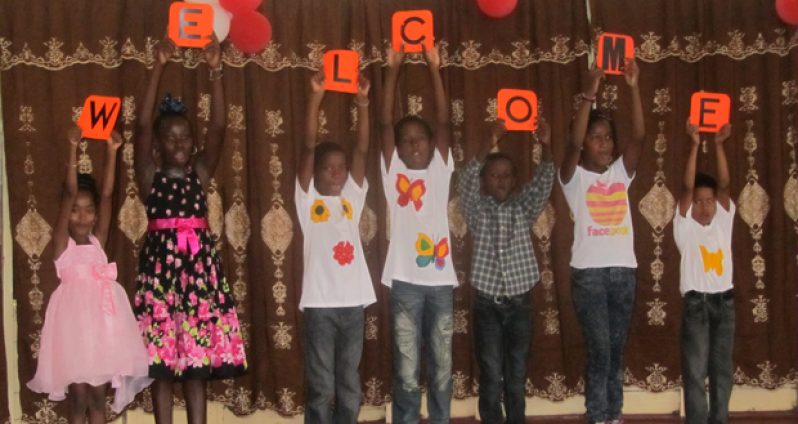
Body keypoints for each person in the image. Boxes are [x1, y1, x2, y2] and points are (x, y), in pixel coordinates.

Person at [133, 38, 246, 424]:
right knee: (162, 364)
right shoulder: (150, 177)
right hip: (161, 276)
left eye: (185, 137)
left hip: (199, 273)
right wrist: (159, 66)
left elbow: (218, 125)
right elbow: (142, 125)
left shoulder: (200, 171)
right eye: (171, 138)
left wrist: (216, 72)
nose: (179, 143)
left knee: (196, 364)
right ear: (159, 147)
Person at [28, 126, 151, 423]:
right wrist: (72, 148)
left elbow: (107, 195)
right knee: (79, 397)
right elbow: (70, 192)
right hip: (72, 329)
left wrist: (112, 151)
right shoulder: (62, 244)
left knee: (98, 396)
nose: (82, 216)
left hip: (102, 329)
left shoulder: (98, 240)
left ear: (95, 214)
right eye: (75, 211)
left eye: (88, 210)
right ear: (66, 213)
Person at [558, 59, 645, 424]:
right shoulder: (573, 178)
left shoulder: (620, 174)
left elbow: (639, 137)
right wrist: (590, 95)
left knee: (616, 348)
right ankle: (597, 415)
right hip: (589, 275)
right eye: (597, 138)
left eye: (608, 137)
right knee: (600, 347)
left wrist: (633, 86)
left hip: (623, 271)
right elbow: (573, 142)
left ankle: (615, 414)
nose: (604, 143)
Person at [458, 118, 555, 423]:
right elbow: (464, 180)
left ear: (515, 181)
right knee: (490, 373)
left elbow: (544, 180)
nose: (500, 181)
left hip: (520, 304)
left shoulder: (523, 208)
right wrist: (491, 139)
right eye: (493, 175)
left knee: (516, 374)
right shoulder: (476, 210)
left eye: (506, 176)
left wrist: (546, 145)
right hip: (487, 304)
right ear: (484, 180)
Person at [380, 44, 456, 424]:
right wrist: (393, 70)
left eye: (420, 139)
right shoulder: (394, 172)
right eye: (405, 140)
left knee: (442, 366)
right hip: (406, 281)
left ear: (431, 145)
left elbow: (443, 123)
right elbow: (382, 124)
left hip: (441, 282)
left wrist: (433, 69)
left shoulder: (441, 169)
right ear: (397, 148)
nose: (414, 145)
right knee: (407, 369)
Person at [295, 70, 376, 423]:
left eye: (340, 169)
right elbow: (309, 147)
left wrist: (362, 103)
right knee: (322, 386)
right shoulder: (307, 200)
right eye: (328, 168)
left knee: (349, 384)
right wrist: (316, 97)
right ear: (315, 174)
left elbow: (362, 148)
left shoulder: (352, 199)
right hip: (319, 306)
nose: (336, 174)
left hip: (352, 304)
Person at [674, 121, 735, 424]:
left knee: (722, 371)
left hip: (725, 302)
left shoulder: (723, 223)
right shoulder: (684, 228)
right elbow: (686, 187)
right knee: (696, 372)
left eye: (709, 201)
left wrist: (720, 144)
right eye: (698, 202)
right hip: (697, 304)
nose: (705, 208)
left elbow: (724, 185)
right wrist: (696, 144)